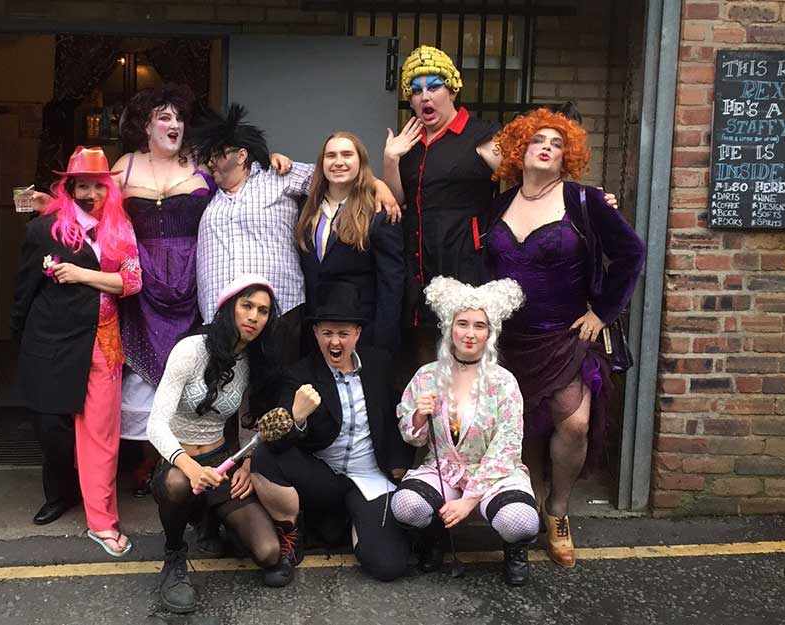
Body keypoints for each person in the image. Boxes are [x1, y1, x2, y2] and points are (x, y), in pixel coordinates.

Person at [381, 46, 618, 369]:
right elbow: (398, 202)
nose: (425, 96)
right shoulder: (408, 143)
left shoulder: (482, 137)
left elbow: (536, 173)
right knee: (426, 363)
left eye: (434, 86)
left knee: (470, 358)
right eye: (416, 90)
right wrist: (390, 161)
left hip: (468, 265)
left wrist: (583, 200)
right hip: (420, 266)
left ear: (452, 90)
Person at [483, 107, 645, 568]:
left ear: (567, 154)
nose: (547, 147)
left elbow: (631, 253)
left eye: (557, 143)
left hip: (566, 335)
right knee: (520, 432)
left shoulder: (584, 201)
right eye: (538, 141)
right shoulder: (500, 203)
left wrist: (603, 310)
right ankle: (524, 508)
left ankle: (558, 510)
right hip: (508, 340)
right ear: (521, 151)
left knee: (572, 423)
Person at [190, 104, 400, 363]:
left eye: (216, 154)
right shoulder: (205, 191)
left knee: (276, 389)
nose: (210, 161)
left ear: (241, 155)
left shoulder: (278, 176)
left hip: (280, 313)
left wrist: (377, 184)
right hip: (220, 317)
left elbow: (334, 176)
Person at [11, 146, 142, 556]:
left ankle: (101, 521)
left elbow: (133, 283)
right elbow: (24, 293)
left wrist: (84, 275)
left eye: (96, 187)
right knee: (52, 428)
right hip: (51, 342)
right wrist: (21, 343)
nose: (89, 194)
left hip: (104, 342)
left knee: (101, 437)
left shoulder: (121, 230)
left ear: (109, 190)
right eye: (81, 186)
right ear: (68, 189)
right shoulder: (44, 230)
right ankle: (61, 492)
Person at [250, 283, 414, 585]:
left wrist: (399, 464)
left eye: (343, 333)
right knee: (263, 457)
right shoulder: (300, 374)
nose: (334, 341)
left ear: (357, 334)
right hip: (323, 476)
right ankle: (290, 532)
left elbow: (396, 420)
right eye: (327, 333)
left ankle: (352, 522)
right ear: (315, 334)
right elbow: (273, 441)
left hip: (370, 479)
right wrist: (296, 416)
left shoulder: (379, 364)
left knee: (388, 565)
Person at [147, 274, 285, 615]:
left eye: (263, 311)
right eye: (247, 306)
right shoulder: (190, 350)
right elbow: (155, 424)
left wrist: (248, 464)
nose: (254, 316)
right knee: (178, 485)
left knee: (269, 553)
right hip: (179, 462)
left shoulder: (252, 360)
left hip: (221, 461)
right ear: (229, 309)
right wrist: (190, 467)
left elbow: (245, 423)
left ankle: (210, 516)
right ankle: (175, 556)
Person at [390, 276, 539, 586]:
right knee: (406, 506)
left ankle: (514, 548)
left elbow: (508, 446)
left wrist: (469, 500)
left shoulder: (503, 383)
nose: (470, 334)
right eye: (463, 324)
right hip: (444, 468)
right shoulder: (427, 376)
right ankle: (433, 536)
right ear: (449, 328)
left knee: (521, 521)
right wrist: (419, 415)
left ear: (490, 334)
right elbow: (410, 434)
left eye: (479, 326)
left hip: (495, 473)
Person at [111, 84, 215, 496]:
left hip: (192, 280)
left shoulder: (201, 164)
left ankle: (187, 463)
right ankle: (145, 464)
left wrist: (274, 161)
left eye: (178, 118)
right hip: (143, 283)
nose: (174, 124)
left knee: (187, 371)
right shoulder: (125, 167)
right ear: (146, 125)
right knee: (140, 375)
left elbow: (245, 183)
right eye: (164, 117)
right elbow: (89, 210)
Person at [293, 131, 404, 351]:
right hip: (315, 330)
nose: (338, 162)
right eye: (331, 156)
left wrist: (382, 341)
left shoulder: (380, 210)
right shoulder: (305, 207)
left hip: (362, 331)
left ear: (360, 162)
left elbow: (392, 283)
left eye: (347, 155)